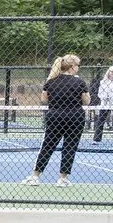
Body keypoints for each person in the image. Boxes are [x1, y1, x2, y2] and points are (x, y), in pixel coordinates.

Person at [23, 54, 90, 187]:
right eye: (78, 65)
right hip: (75, 117)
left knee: (47, 146)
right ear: (72, 67)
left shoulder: (51, 81)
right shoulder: (80, 82)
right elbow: (87, 101)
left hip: (55, 116)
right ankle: (63, 179)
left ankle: (35, 176)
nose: (78, 68)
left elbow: (43, 99)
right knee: (70, 147)